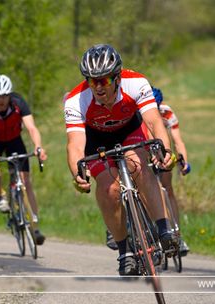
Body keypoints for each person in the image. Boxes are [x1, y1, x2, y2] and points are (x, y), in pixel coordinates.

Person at [64, 44, 177, 275]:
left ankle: (164, 228)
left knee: (139, 167)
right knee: (109, 188)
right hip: (96, 139)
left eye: (103, 80)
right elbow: (75, 144)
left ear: (117, 77)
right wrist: (78, 173)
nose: (97, 87)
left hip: (129, 130)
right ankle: (124, 251)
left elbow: (154, 122)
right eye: (92, 81)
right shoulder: (76, 100)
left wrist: (164, 149)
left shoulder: (135, 83)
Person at [0, 74, 48, 245]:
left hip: (14, 141)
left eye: (4, 96)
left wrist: (38, 147)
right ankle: (2, 195)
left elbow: (31, 128)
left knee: (26, 182)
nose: (1, 100)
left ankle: (35, 226)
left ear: (10, 95)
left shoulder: (18, 102)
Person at [152, 86, 191, 256]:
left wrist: (184, 161)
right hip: (145, 152)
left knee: (167, 189)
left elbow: (178, 141)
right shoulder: (137, 112)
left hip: (162, 151)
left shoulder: (166, 112)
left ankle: (176, 234)